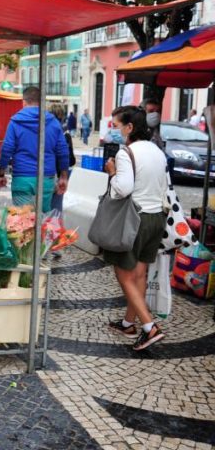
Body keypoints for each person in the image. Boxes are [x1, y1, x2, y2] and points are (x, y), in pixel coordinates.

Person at [103, 106, 167, 351]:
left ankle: (149, 327)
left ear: (129, 128)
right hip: (155, 219)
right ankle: (129, 323)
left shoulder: (125, 153)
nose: (114, 130)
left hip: (134, 219)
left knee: (124, 275)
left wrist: (112, 173)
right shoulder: (157, 151)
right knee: (139, 274)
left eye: (116, 125)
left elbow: (123, 188)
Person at [0, 87, 70, 212]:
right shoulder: (53, 122)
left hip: (22, 179)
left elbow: (7, 149)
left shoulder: (15, 122)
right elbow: (63, 151)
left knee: (22, 223)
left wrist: (1, 173)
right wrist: (63, 176)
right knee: (42, 221)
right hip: (46, 179)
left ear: (24, 102)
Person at [49, 107, 76, 258]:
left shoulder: (47, 132)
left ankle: (45, 245)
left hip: (50, 176)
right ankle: (56, 245)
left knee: (46, 211)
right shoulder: (65, 133)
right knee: (56, 212)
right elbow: (71, 159)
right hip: (62, 177)